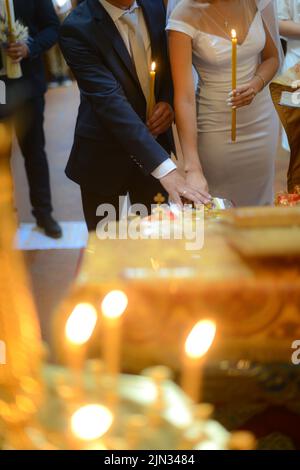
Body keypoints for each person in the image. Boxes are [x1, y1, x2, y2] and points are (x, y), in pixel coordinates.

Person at [59, 0, 211, 231]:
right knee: (108, 249)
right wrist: (165, 168)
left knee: (157, 246)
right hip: (104, 157)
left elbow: (170, 65)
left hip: (155, 145)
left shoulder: (156, 6)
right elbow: (110, 102)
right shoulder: (78, 28)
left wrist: (168, 101)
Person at [167, 0, 281, 206]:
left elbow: (273, 58)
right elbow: (184, 98)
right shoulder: (183, 15)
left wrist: (256, 84)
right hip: (216, 128)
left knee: (261, 203)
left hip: (262, 122)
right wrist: (193, 167)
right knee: (220, 208)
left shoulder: (257, 2)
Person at [0, 0, 62, 238]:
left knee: (34, 151)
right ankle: (5, 215)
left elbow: (52, 27)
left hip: (28, 83)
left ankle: (44, 213)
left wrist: (30, 47)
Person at [47, 0, 73, 88]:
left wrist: (60, 6)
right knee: (51, 46)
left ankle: (64, 74)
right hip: (48, 11)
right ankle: (55, 74)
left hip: (64, 11)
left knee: (64, 44)